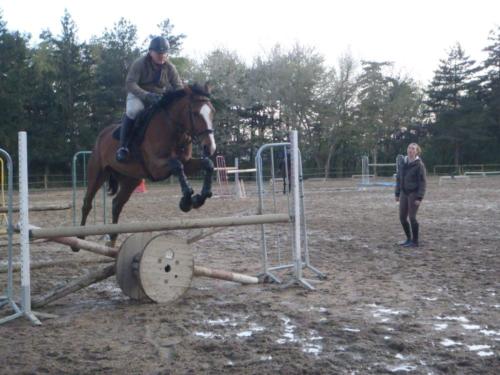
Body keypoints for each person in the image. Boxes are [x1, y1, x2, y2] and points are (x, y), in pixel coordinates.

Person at [116, 36, 183, 162]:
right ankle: (123, 147)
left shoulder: (170, 68)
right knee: (134, 111)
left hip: (158, 97)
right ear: (151, 52)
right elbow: (130, 83)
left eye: (164, 53)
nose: (162, 56)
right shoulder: (139, 63)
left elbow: (178, 87)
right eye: (159, 53)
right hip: (137, 94)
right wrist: (146, 95)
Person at [395, 143, 427, 247]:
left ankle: (415, 241)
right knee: (402, 217)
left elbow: (423, 182)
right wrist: (397, 192)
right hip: (404, 193)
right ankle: (408, 239)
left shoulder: (419, 165)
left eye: (413, 149)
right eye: (409, 148)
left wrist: (419, 197)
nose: (410, 150)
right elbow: (399, 178)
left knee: (412, 217)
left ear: (417, 151)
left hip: (414, 193)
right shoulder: (402, 162)